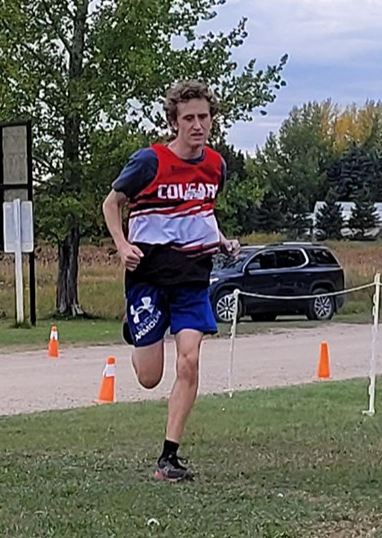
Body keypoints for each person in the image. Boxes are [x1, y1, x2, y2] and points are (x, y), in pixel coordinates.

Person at [102, 80, 240, 482]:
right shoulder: (149, 161)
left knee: (190, 360)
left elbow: (199, 214)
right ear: (174, 122)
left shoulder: (216, 165)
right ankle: (137, 328)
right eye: (189, 118)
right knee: (149, 378)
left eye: (204, 117)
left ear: (212, 119)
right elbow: (112, 203)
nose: (197, 125)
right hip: (148, 276)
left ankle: (169, 458)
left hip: (192, 278)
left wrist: (222, 240)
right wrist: (121, 244)